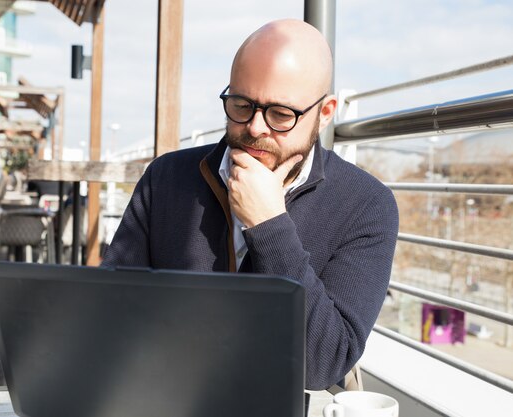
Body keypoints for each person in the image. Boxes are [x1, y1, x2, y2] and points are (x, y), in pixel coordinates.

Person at [102, 19, 399, 390]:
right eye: (241, 104)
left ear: (324, 114)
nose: (256, 127)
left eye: (280, 114)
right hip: (168, 393)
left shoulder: (367, 205)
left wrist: (270, 225)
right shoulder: (167, 178)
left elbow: (324, 364)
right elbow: (110, 312)